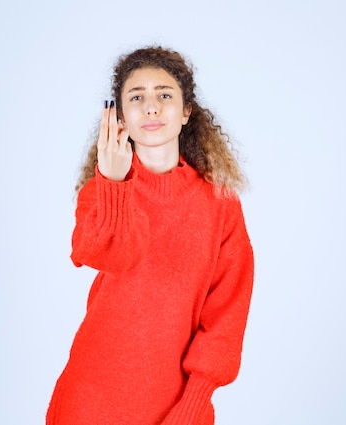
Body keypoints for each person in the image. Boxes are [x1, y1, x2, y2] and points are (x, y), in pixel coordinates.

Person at [46, 45, 254, 425]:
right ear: (121, 115)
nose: (151, 107)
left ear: (186, 111)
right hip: (90, 396)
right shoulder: (102, 190)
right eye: (137, 97)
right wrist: (114, 183)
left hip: (177, 404)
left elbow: (227, 316)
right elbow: (109, 256)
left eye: (164, 95)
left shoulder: (219, 203)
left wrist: (193, 405)